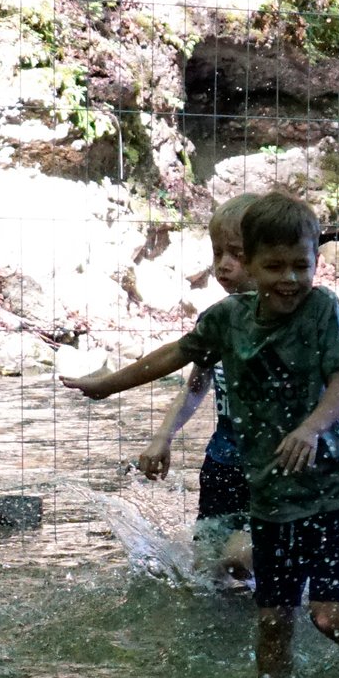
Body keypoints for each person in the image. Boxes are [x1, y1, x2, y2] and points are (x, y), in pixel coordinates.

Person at [64, 193, 339, 678]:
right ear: (252, 266)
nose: (289, 278)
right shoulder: (227, 319)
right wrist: (107, 386)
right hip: (271, 499)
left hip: (333, 492)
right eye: (274, 266)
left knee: (329, 617)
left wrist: (310, 428)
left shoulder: (322, 308)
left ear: (315, 262)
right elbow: (175, 355)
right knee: (273, 623)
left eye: (301, 266)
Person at [137, 192, 259, 588]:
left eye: (237, 254)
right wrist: (163, 437)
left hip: (269, 468)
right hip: (222, 463)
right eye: (218, 252)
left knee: (238, 558)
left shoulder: (290, 323)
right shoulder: (216, 319)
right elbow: (195, 385)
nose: (224, 264)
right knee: (206, 572)